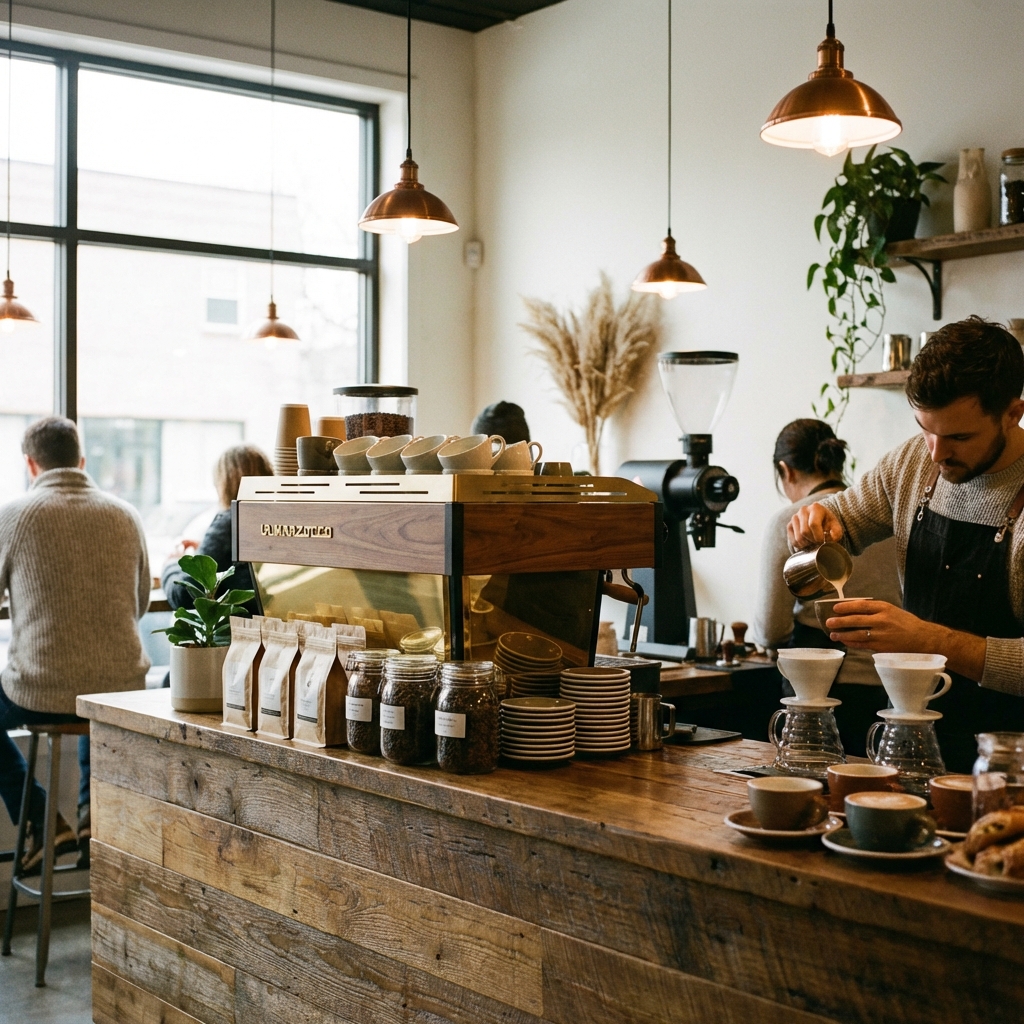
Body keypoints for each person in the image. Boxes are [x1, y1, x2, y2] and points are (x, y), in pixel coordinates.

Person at [789, 317, 1024, 772]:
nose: (937, 453)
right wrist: (815, 521)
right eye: (925, 429)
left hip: (1009, 762)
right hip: (912, 740)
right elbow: (843, 518)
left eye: (959, 437)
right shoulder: (914, 462)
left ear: (1013, 413)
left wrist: (927, 639)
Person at [0, 417, 150, 871]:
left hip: (41, 694)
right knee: (93, 695)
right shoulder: (126, 515)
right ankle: (91, 815)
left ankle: (42, 819)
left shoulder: (15, 516)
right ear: (81, 460)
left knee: (73, 687)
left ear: (31, 464)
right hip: (120, 689)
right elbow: (141, 603)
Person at [752, 419, 902, 756]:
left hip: (818, 686)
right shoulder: (883, 521)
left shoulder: (789, 520)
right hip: (889, 684)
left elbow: (771, 631)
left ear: (785, 470)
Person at [161, 444, 273, 613]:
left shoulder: (231, 523)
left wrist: (171, 564)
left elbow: (184, 595)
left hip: (240, 628)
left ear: (223, 484)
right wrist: (205, 548)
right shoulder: (274, 517)